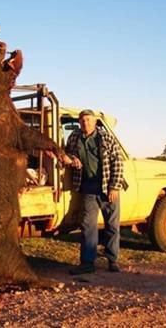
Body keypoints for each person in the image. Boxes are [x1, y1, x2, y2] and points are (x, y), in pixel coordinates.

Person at [65, 109, 126, 274]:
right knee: (87, 226)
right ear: (79, 122)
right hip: (88, 187)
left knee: (112, 225)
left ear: (95, 122)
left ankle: (112, 260)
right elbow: (66, 152)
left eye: (89, 120)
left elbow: (118, 162)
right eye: (83, 120)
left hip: (107, 187)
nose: (86, 123)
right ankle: (87, 263)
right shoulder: (74, 137)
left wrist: (115, 187)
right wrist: (72, 158)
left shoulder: (105, 137)